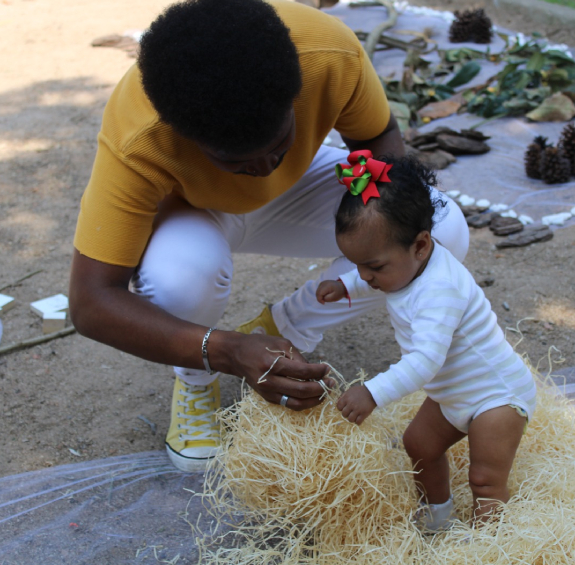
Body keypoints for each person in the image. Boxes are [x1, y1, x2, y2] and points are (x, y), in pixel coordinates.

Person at [68, 0, 470, 472]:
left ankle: (279, 330)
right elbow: (91, 301)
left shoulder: (329, 53)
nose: (260, 171)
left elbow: (377, 142)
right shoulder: (140, 136)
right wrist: (225, 351)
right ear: (183, 134)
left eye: (278, 145)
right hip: (192, 210)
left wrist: (370, 219)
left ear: (294, 93)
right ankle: (198, 378)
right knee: (181, 276)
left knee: (437, 227)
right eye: (236, 161)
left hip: (303, 187)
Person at [316, 152, 537, 531]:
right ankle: (438, 517)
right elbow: (377, 275)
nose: (365, 276)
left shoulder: (441, 289)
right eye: (357, 266)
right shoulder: (405, 266)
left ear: (420, 245)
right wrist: (345, 285)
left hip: (495, 396)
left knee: (484, 480)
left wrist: (372, 392)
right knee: (419, 445)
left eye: (374, 267)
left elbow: (425, 361)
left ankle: (493, 542)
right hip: (452, 393)